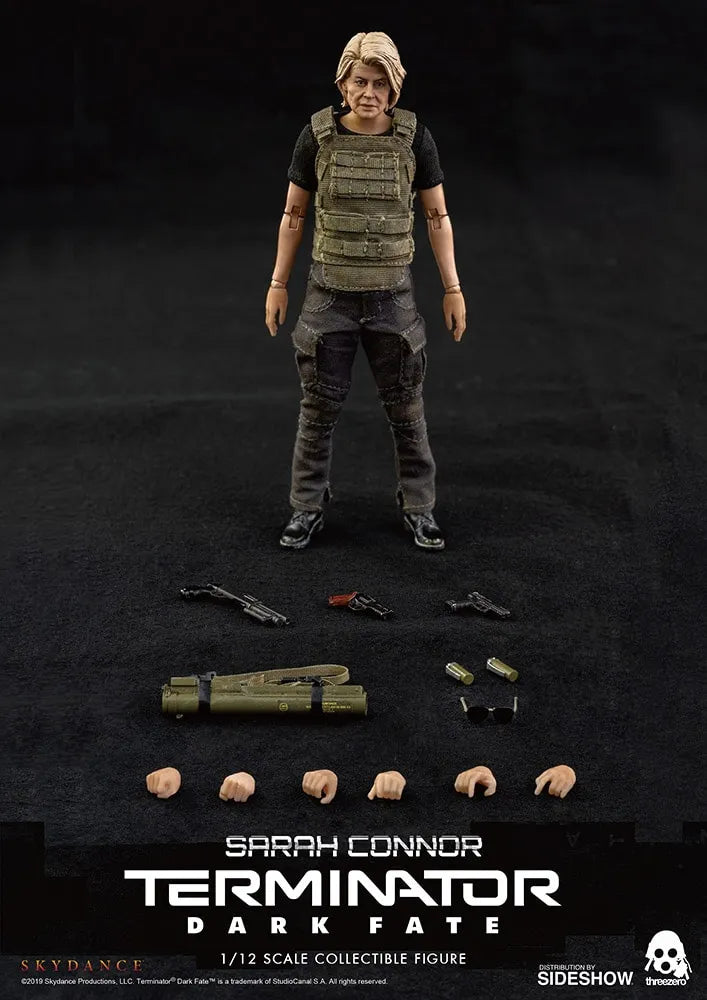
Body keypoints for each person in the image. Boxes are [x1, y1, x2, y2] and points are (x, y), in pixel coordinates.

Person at [265, 31, 466, 550]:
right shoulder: (316, 137)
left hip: (391, 297)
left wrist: (453, 287)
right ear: (343, 84)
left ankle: (420, 506)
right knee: (317, 409)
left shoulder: (415, 139)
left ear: (394, 89)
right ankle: (306, 506)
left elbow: (437, 216)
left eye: (379, 83)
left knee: (407, 409)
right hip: (328, 293)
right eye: (360, 81)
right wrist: (278, 283)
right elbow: (294, 214)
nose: (369, 93)